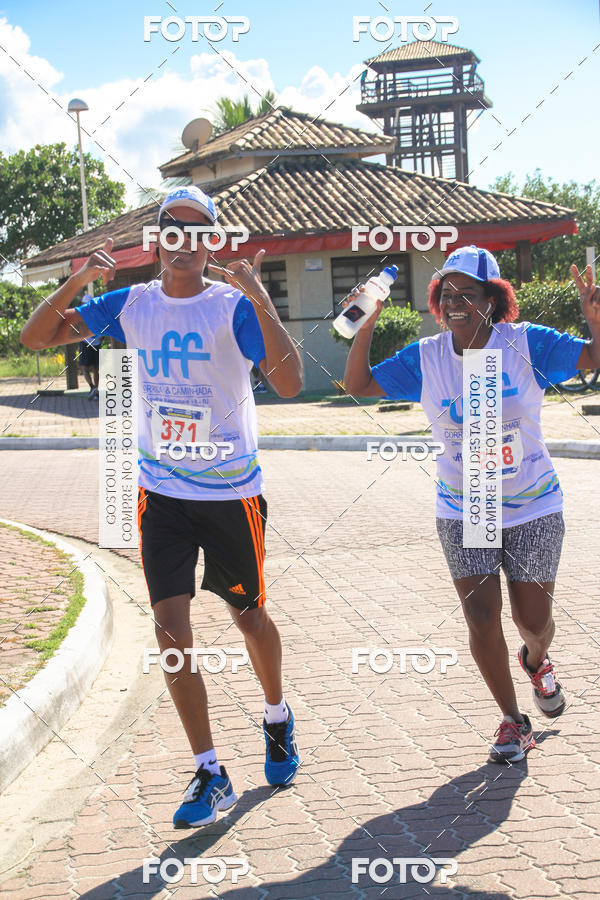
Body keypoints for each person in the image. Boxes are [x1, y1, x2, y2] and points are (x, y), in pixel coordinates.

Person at [21, 186, 303, 825]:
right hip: (162, 492)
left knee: (250, 617)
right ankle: (209, 771)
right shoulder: (131, 304)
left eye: (197, 229)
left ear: (211, 240)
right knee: (170, 628)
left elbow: (288, 381)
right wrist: (82, 281)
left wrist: (260, 299)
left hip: (232, 492)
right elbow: (36, 337)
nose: (184, 239)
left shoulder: (231, 307)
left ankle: (277, 713)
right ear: (158, 238)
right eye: (171, 228)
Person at [343, 245, 600, 763]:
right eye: (447, 293)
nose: (456, 301)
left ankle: (536, 658)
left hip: (532, 504)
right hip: (466, 505)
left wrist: (596, 322)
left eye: (469, 293)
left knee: (533, 621)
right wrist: (364, 322)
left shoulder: (526, 343)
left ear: (493, 299)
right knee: (482, 617)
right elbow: (358, 386)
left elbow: (592, 358)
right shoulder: (428, 356)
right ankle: (512, 720)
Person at [78, 333, 102, 399]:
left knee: (84, 368)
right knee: (95, 369)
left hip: (86, 342)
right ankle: (95, 389)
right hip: (96, 342)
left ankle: (93, 388)